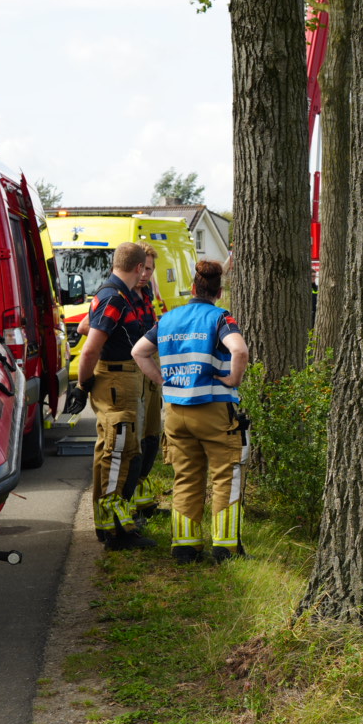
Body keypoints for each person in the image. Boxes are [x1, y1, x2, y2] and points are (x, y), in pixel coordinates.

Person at [132, 259, 249, 564]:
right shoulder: (220, 317)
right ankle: (226, 548)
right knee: (226, 475)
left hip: (176, 412)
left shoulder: (169, 318)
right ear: (218, 291)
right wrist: (234, 379)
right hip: (213, 409)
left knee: (185, 477)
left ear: (193, 288)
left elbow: (138, 351)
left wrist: (161, 380)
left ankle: (185, 547)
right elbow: (239, 350)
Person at [63, 241, 155, 549]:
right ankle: (113, 532)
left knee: (123, 451)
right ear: (139, 268)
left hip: (127, 377)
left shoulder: (123, 295)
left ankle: (114, 525)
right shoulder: (113, 297)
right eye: (145, 268)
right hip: (116, 379)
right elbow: (90, 348)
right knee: (116, 452)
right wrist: (81, 385)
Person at [122, 248, 166, 518]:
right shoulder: (120, 295)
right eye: (143, 268)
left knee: (152, 438)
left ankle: (143, 502)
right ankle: (129, 506)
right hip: (129, 373)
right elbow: (85, 327)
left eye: (150, 269)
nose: (145, 274)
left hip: (148, 371)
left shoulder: (146, 293)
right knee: (134, 444)